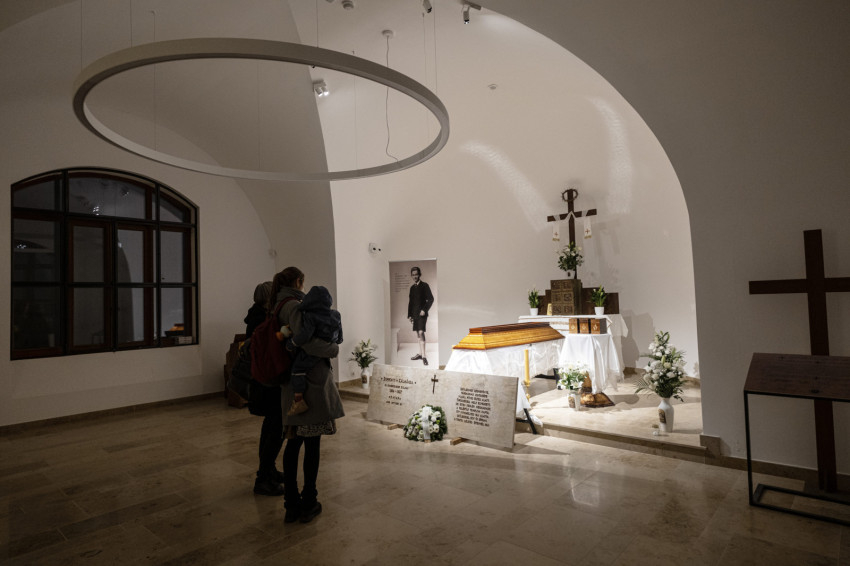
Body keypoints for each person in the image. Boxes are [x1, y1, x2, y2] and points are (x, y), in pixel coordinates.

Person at [270, 266, 344, 524]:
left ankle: (291, 504)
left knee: (294, 443)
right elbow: (308, 342)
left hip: (294, 383)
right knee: (310, 445)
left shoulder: (279, 304)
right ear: (299, 282)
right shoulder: (294, 306)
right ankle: (307, 502)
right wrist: (333, 349)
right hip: (309, 383)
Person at [243, 281, 286, 497]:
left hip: (262, 380)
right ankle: (263, 478)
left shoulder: (255, 316)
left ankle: (269, 470)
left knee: (270, 427)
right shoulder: (263, 320)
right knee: (275, 430)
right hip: (268, 381)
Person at [283, 285, 343, 417]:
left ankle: (298, 400)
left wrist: (292, 343)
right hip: (328, 348)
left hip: (313, 351)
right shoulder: (336, 314)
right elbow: (340, 335)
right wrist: (336, 342)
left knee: (297, 370)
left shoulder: (310, 316)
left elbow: (306, 335)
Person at [407, 266, 434, 366]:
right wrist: (409, 315)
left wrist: (424, 310)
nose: (415, 276)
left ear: (419, 275)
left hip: (422, 314)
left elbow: (431, 299)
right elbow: (410, 303)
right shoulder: (412, 288)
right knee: (418, 334)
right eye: (413, 275)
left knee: (421, 332)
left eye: (416, 274)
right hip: (414, 314)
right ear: (411, 276)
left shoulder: (425, 285)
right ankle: (420, 353)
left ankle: (424, 356)